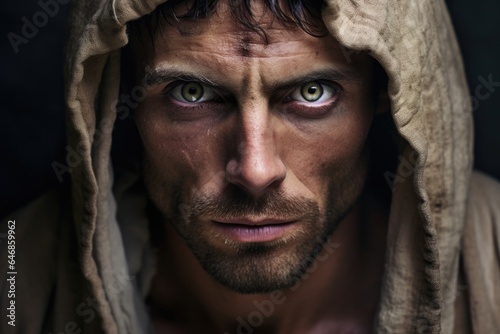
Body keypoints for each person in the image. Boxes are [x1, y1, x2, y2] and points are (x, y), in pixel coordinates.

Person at [1, 0, 499, 333]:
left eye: (312, 93)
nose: (256, 171)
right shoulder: (15, 278)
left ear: (387, 95)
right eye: (191, 93)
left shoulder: (492, 266)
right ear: (118, 101)